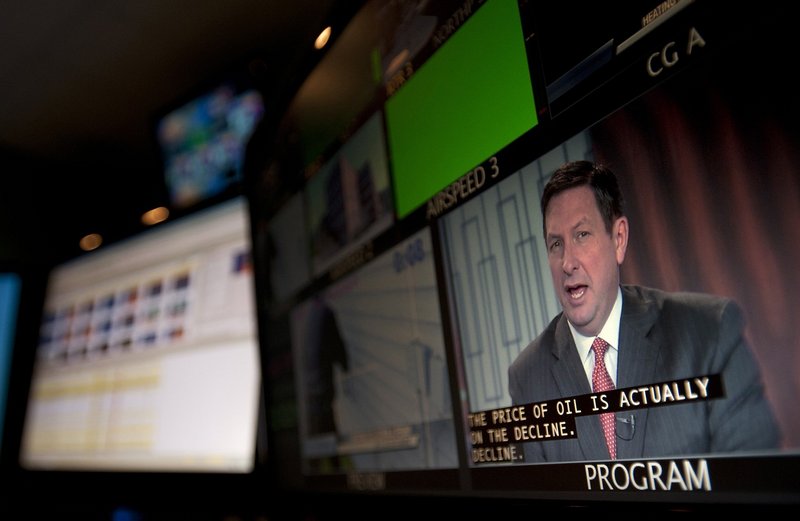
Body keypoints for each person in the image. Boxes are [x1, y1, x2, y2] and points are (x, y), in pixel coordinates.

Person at [507, 160, 781, 463]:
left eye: (582, 235)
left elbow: (753, 483)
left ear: (619, 239)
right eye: (555, 244)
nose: (567, 263)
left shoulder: (709, 333)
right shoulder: (528, 376)